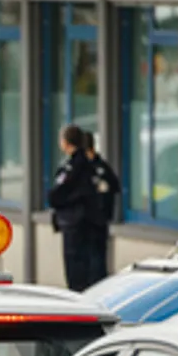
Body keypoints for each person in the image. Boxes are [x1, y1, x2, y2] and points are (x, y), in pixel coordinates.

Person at [48, 124, 99, 293]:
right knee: (87, 267)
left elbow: (58, 193)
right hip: (87, 222)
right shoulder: (90, 164)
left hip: (75, 223)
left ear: (66, 142)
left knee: (76, 270)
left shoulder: (74, 166)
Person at [83, 131, 120, 289]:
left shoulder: (100, 168)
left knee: (97, 263)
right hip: (86, 223)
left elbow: (113, 187)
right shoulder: (83, 168)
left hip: (97, 223)